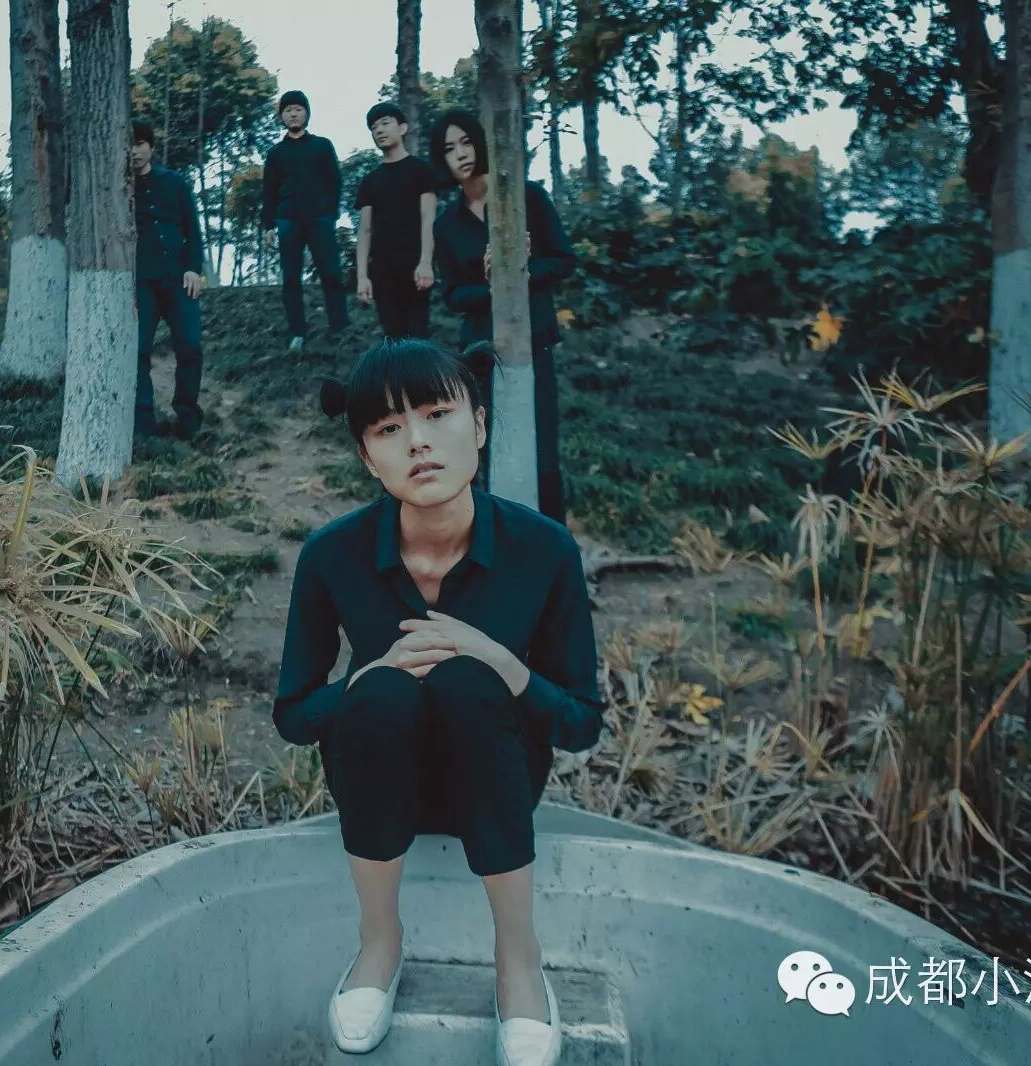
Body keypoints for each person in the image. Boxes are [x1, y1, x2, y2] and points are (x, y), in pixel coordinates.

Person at [273, 338, 602, 1066]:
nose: (418, 442)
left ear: (478, 425)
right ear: (368, 458)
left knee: (465, 678)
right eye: (389, 428)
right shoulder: (331, 555)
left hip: (499, 788)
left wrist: (503, 663)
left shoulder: (544, 550)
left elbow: (581, 723)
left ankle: (518, 957)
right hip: (379, 793)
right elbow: (294, 715)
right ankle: (379, 942)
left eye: (436, 414)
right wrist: (367, 677)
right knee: (382, 689)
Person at [429, 109, 577, 525]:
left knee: (542, 453)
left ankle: (555, 550)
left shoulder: (528, 198)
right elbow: (453, 296)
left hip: (534, 342)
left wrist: (521, 273)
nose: (461, 154)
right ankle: (496, 546)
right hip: (481, 352)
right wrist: (492, 286)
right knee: (487, 451)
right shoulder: (446, 225)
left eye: (466, 142)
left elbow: (564, 261)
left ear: (481, 142)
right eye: (449, 149)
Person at [130, 120, 205, 440]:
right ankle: (143, 424)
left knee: (190, 345)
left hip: (179, 278)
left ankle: (187, 417)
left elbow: (193, 231)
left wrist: (194, 269)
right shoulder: (117, 190)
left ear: (150, 147)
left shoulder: (175, 183)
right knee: (137, 351)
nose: (134, 151)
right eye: (129, 145)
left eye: (140, 144)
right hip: (140, 283)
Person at [261, 90, 349, 352]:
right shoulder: (275, 153)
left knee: (330, 272)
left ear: (307, 113)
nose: (293, 114)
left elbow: (335, 181)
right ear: (282, 116)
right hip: (288, 220)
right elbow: (269, 191)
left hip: (319, 219)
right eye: (288, 110)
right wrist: (269, 225)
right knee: (291, 278)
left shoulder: (322, 146)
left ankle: (339, 326)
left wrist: (330, 214)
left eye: (298, 109)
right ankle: (297, 332)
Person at [354, 102, 437, 339]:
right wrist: (362, 277)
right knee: (393, 339)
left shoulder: (421, 170)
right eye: (373, 127)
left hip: (415, 268)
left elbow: (428, 219)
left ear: (402, 128)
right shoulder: (370, 181)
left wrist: (426, 262)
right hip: (383, 272)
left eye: (385, 123)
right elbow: (365, 231)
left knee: (418, 338)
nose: (379, 130)